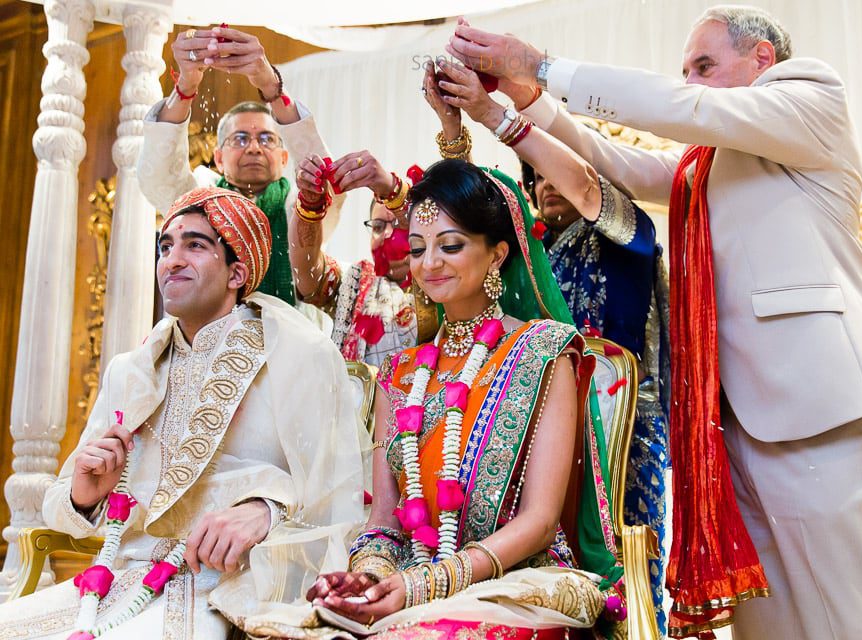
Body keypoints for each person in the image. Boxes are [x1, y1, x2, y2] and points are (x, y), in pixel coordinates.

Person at [446, 6, 862, 639]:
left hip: (821, 409)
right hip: (735, 424)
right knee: (770, 624)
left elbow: (688, 110)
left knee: (853, 614)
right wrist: (510, 111)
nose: (692, 83)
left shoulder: (811, 96)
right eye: (685, 71)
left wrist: (542, 66)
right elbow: (606, 166)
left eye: (705, 65)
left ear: (763, 60)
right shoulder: (709, 166)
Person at [209, 160, 626, 639]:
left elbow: (539, 520)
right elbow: (384, 521)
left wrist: (425, 585)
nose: (429, 264)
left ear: (497, 254)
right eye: (417, 248)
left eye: (451, 246)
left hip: (516, 582)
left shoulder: (544, 351)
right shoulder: (401, 372)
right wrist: (367, 577)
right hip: (411, 579)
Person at [0, 187, 365, 639]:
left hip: (226, 587)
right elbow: (60, 504)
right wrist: (85, 495)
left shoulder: (298, 355)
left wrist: (268, 511)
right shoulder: (130, 371)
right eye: (165, 246)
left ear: (237, 272)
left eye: (195, 245)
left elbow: (341, 501)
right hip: (113, 584)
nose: (172, 260)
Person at [428, 59, 671, 634]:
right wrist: (452, 130)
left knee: (626, 583)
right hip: (529, 419)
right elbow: (465, 225)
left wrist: (492, 113)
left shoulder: (628, 233)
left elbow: (587, 188)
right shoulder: (526, 256)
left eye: (550, 172)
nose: (544, 185)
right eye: (534, 177)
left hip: (621, 427)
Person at [137, 25, 342, 307]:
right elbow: (158, 175)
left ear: (284, 159)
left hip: (288, 340)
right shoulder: (200, 202)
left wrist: (271, 85)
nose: (254, 147)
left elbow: (325, 181)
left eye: (267, 138)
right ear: (219, 158)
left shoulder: (298, 206)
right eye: (241, 138)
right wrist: (185, 86)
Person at [290, 151, 438, 366]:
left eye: (398, 225)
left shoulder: (445, 282)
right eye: (378, 227)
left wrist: (392, 190)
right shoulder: (356, 283)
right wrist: (310, 204)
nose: (387, 235)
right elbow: (307, 274)